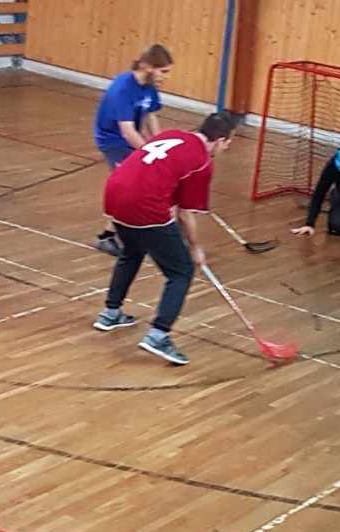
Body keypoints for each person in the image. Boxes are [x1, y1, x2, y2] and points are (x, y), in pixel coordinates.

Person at [92, 112, 235, 365]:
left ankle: (110, 313)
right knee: (181, 271)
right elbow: (186, 214)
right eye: (227, 144)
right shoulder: (202, 162)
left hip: (114, 194)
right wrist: (195, 248)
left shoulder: (172, 134)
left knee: (132, 251)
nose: (225, 149)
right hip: (144, 205)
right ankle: (159, 335)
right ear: (220, 140)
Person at [93, 44, 174, 256]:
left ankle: (138, 229)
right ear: (148, 67)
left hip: (129, 138)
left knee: (143, 183)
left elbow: (150, 114)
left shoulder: (150, 85)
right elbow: (127, 131)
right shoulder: (123, 89)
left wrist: (159, 144)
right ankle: (106, 236)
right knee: (129, 184)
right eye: (163, 71)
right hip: (113, 141)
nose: (166, 77)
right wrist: (151, 154)